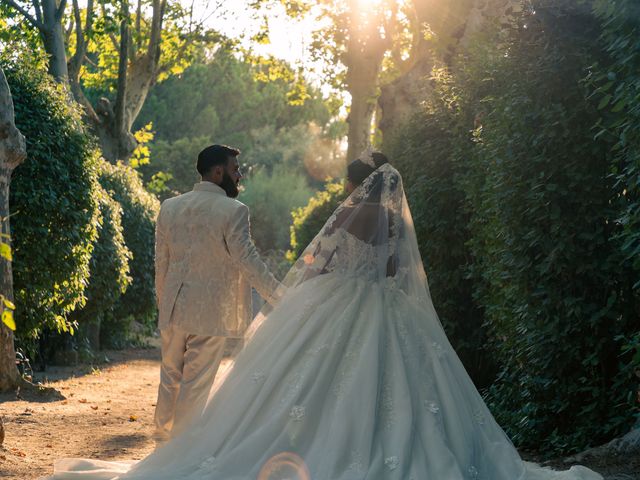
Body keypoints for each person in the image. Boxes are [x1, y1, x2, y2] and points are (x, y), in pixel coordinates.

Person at [48, 149, 602, 480]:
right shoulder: (396, 223)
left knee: (251, 385)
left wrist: (294, 298)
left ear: (356, 183)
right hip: (385, 311)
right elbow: (392, 275)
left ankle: (176, 441)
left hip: (317, 302)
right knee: (390, 385)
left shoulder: (347, 217)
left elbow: (316, 262)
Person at [153, 144, 281, 442]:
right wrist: (281, 298)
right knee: (195, 386)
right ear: (218, 171)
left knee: (169, 378)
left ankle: (161, 449)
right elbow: (248, 261)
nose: (239, 176)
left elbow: (162, 262)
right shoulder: (234, 211)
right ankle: (178, 457)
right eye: (236, 170)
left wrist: (164, 302)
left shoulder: (169, 207)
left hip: (173, 307)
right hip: (210, 312)